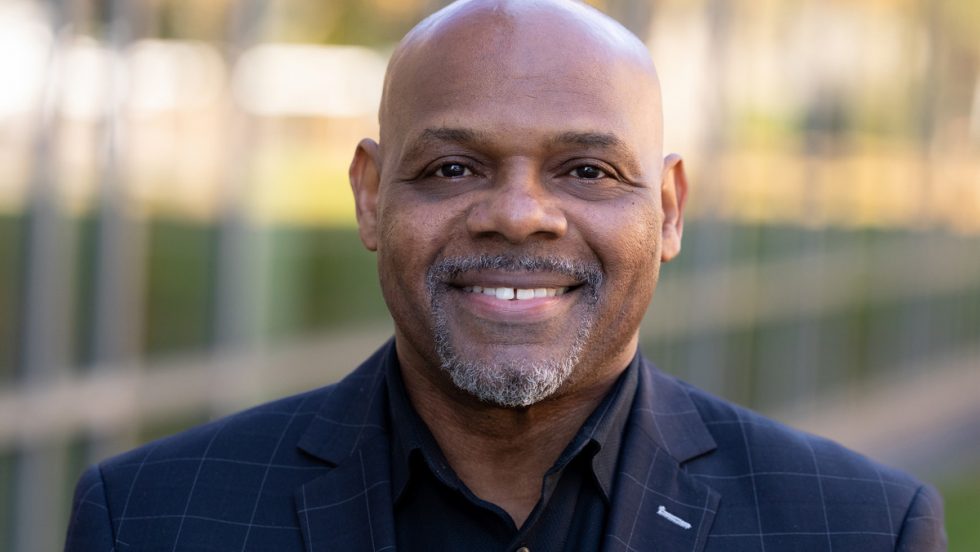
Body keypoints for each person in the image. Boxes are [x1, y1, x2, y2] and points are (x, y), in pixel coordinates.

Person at [65, 0, 946, 550]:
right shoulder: (151, 518)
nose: (520, 212)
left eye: (586, 171)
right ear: (371, 199)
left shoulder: (861, 528)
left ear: (669, 208)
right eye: (453, 169)